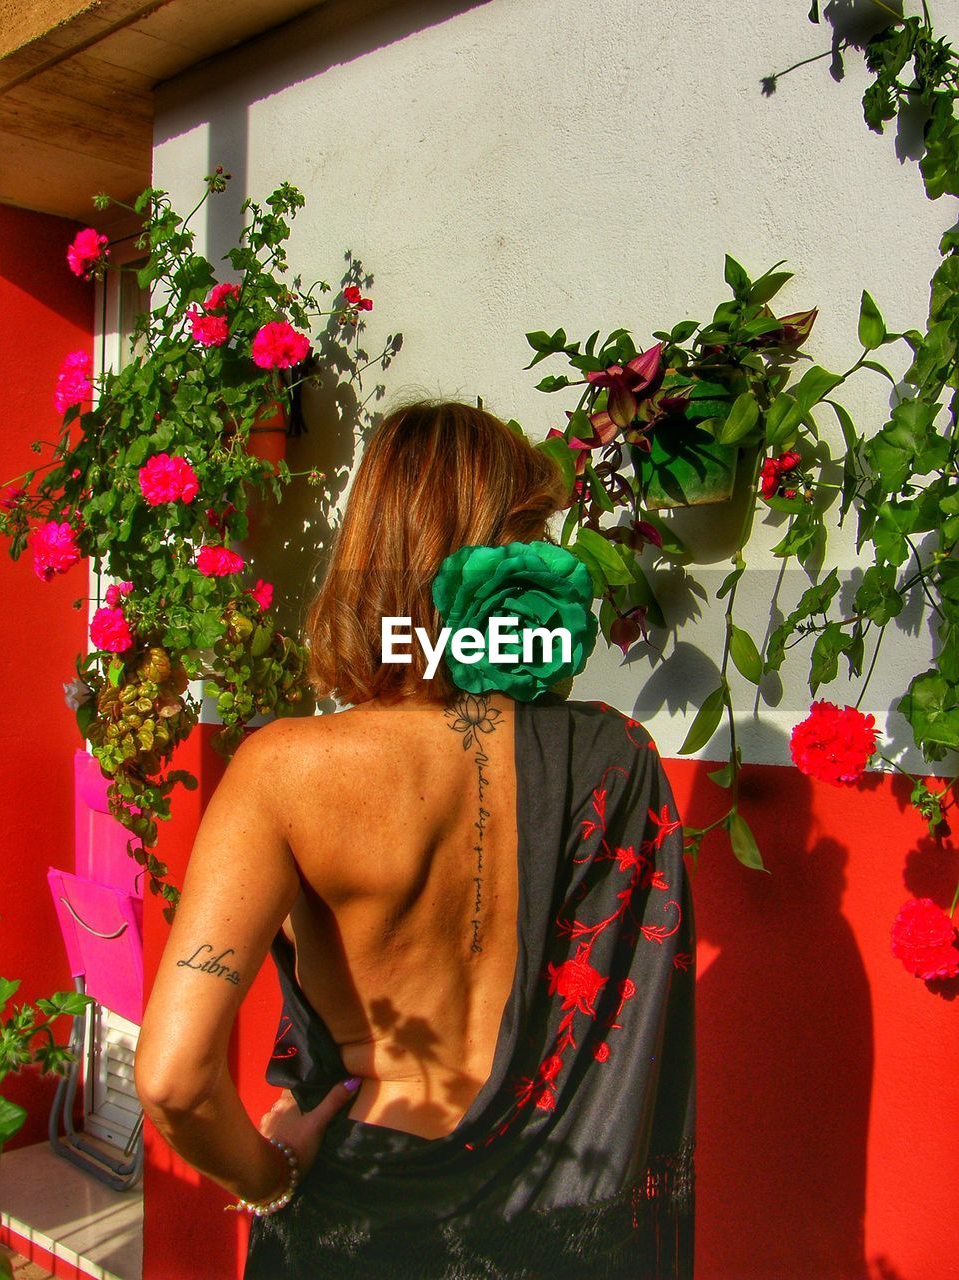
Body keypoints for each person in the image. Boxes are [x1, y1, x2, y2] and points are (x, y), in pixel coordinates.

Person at [135, 400, 696, 1279]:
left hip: (355, 1215)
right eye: (534, 538)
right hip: (551, 1227)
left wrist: (271, 1178)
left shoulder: (283, 771)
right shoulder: (614, 760)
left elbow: (173, 1079)